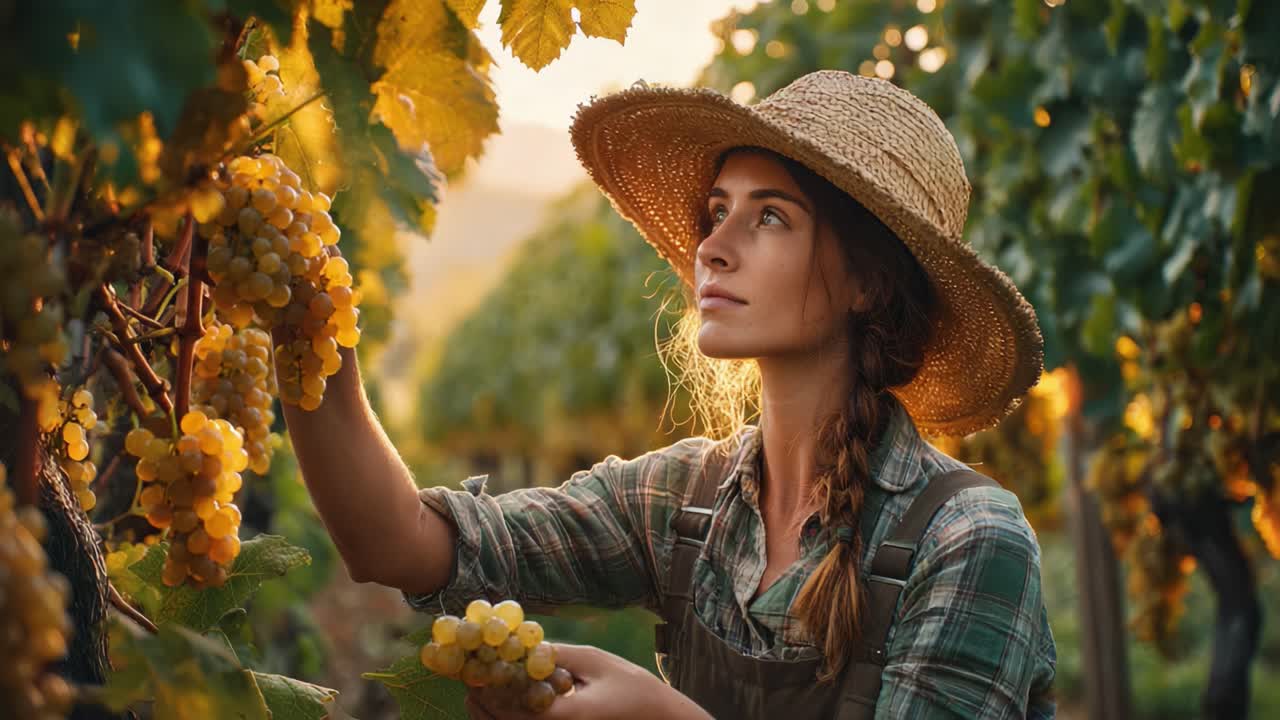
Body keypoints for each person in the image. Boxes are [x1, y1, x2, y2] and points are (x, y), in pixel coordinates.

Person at [280, 70, 1057, 719]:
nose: (712, 247)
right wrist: (312, 336)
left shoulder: (969, 539)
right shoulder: (683, 501)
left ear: (869, 282)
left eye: (772, 217)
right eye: (718, 211)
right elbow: (397, 543)